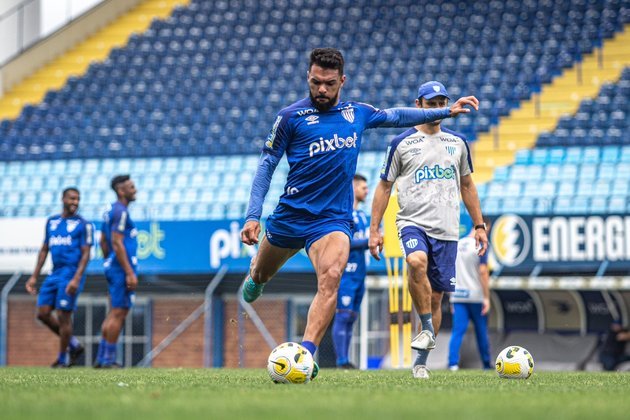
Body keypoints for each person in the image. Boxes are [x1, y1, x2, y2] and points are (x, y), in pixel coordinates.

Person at [240, 48, 479, 378]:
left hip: (332, 220)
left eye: (328, 83)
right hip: (290, 216)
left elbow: (396, 116)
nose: (321, 89)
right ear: (308, 78)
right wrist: (254, 215)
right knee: (261, 277)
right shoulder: (290, 117)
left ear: (342, 80)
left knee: (331, 279)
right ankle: (256, 276)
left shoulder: (357, 113)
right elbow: (267, 164)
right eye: (315, 82)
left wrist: (446, 113)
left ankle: (305, 357)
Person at [368, 81, 488, 379]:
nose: (436, 109)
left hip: (447, 231)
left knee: (436, 298)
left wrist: (479, 225)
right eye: (430, 103)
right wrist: (375, 229)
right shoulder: (401, 143)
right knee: (415, 261)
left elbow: (467, 185)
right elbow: (384, 187)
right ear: (418, 105)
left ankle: (420, 362)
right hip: (412, 223)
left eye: (441, 103)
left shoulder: (458, 143)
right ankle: (427, 328)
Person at [25, 187, 92, 367]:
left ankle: (63, 360)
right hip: (54, 273)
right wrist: (34, 277)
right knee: (43, 313)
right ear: (63, 199)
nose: (75, 202)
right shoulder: (52, 222)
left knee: (64, 315)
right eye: (72, 198)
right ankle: (74, 345)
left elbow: (86, 254)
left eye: (78, 199)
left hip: (70, 273)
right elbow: (45, 249)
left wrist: (76, 278)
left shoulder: (84, 225)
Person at [94, 175, 138, 368]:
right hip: (121, 269)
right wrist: (128, 271)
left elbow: (103, 240)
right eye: (131, 187)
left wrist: (108, 260)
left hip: (113, 266)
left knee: (114, 312)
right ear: (121, 191)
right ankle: (108, 360)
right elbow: (117, 242)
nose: (135, 190)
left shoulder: (111, 210)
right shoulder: (120, 212)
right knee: (119, 312)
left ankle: (102, 357)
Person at [332, 174, 369, 369]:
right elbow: (343, 242)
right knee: (343, 315)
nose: (367, 191)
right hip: (346, 272)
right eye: (364, 187)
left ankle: (345, 360)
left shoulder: (363, 216)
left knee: (352, 317)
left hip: (360, 273)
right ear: (354, 188)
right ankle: (341, 361)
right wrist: (367, 243)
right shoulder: (342, 213)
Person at [447, 220, 492, 371]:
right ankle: (486, 364)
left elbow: (448, 271)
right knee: (481, 332)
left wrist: (450, 296)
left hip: (458, 295)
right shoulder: (480, 245)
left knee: (457, 332)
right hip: (476, 296)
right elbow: (483, 271)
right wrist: (486, 297)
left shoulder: (458, 244)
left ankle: (452, 363)